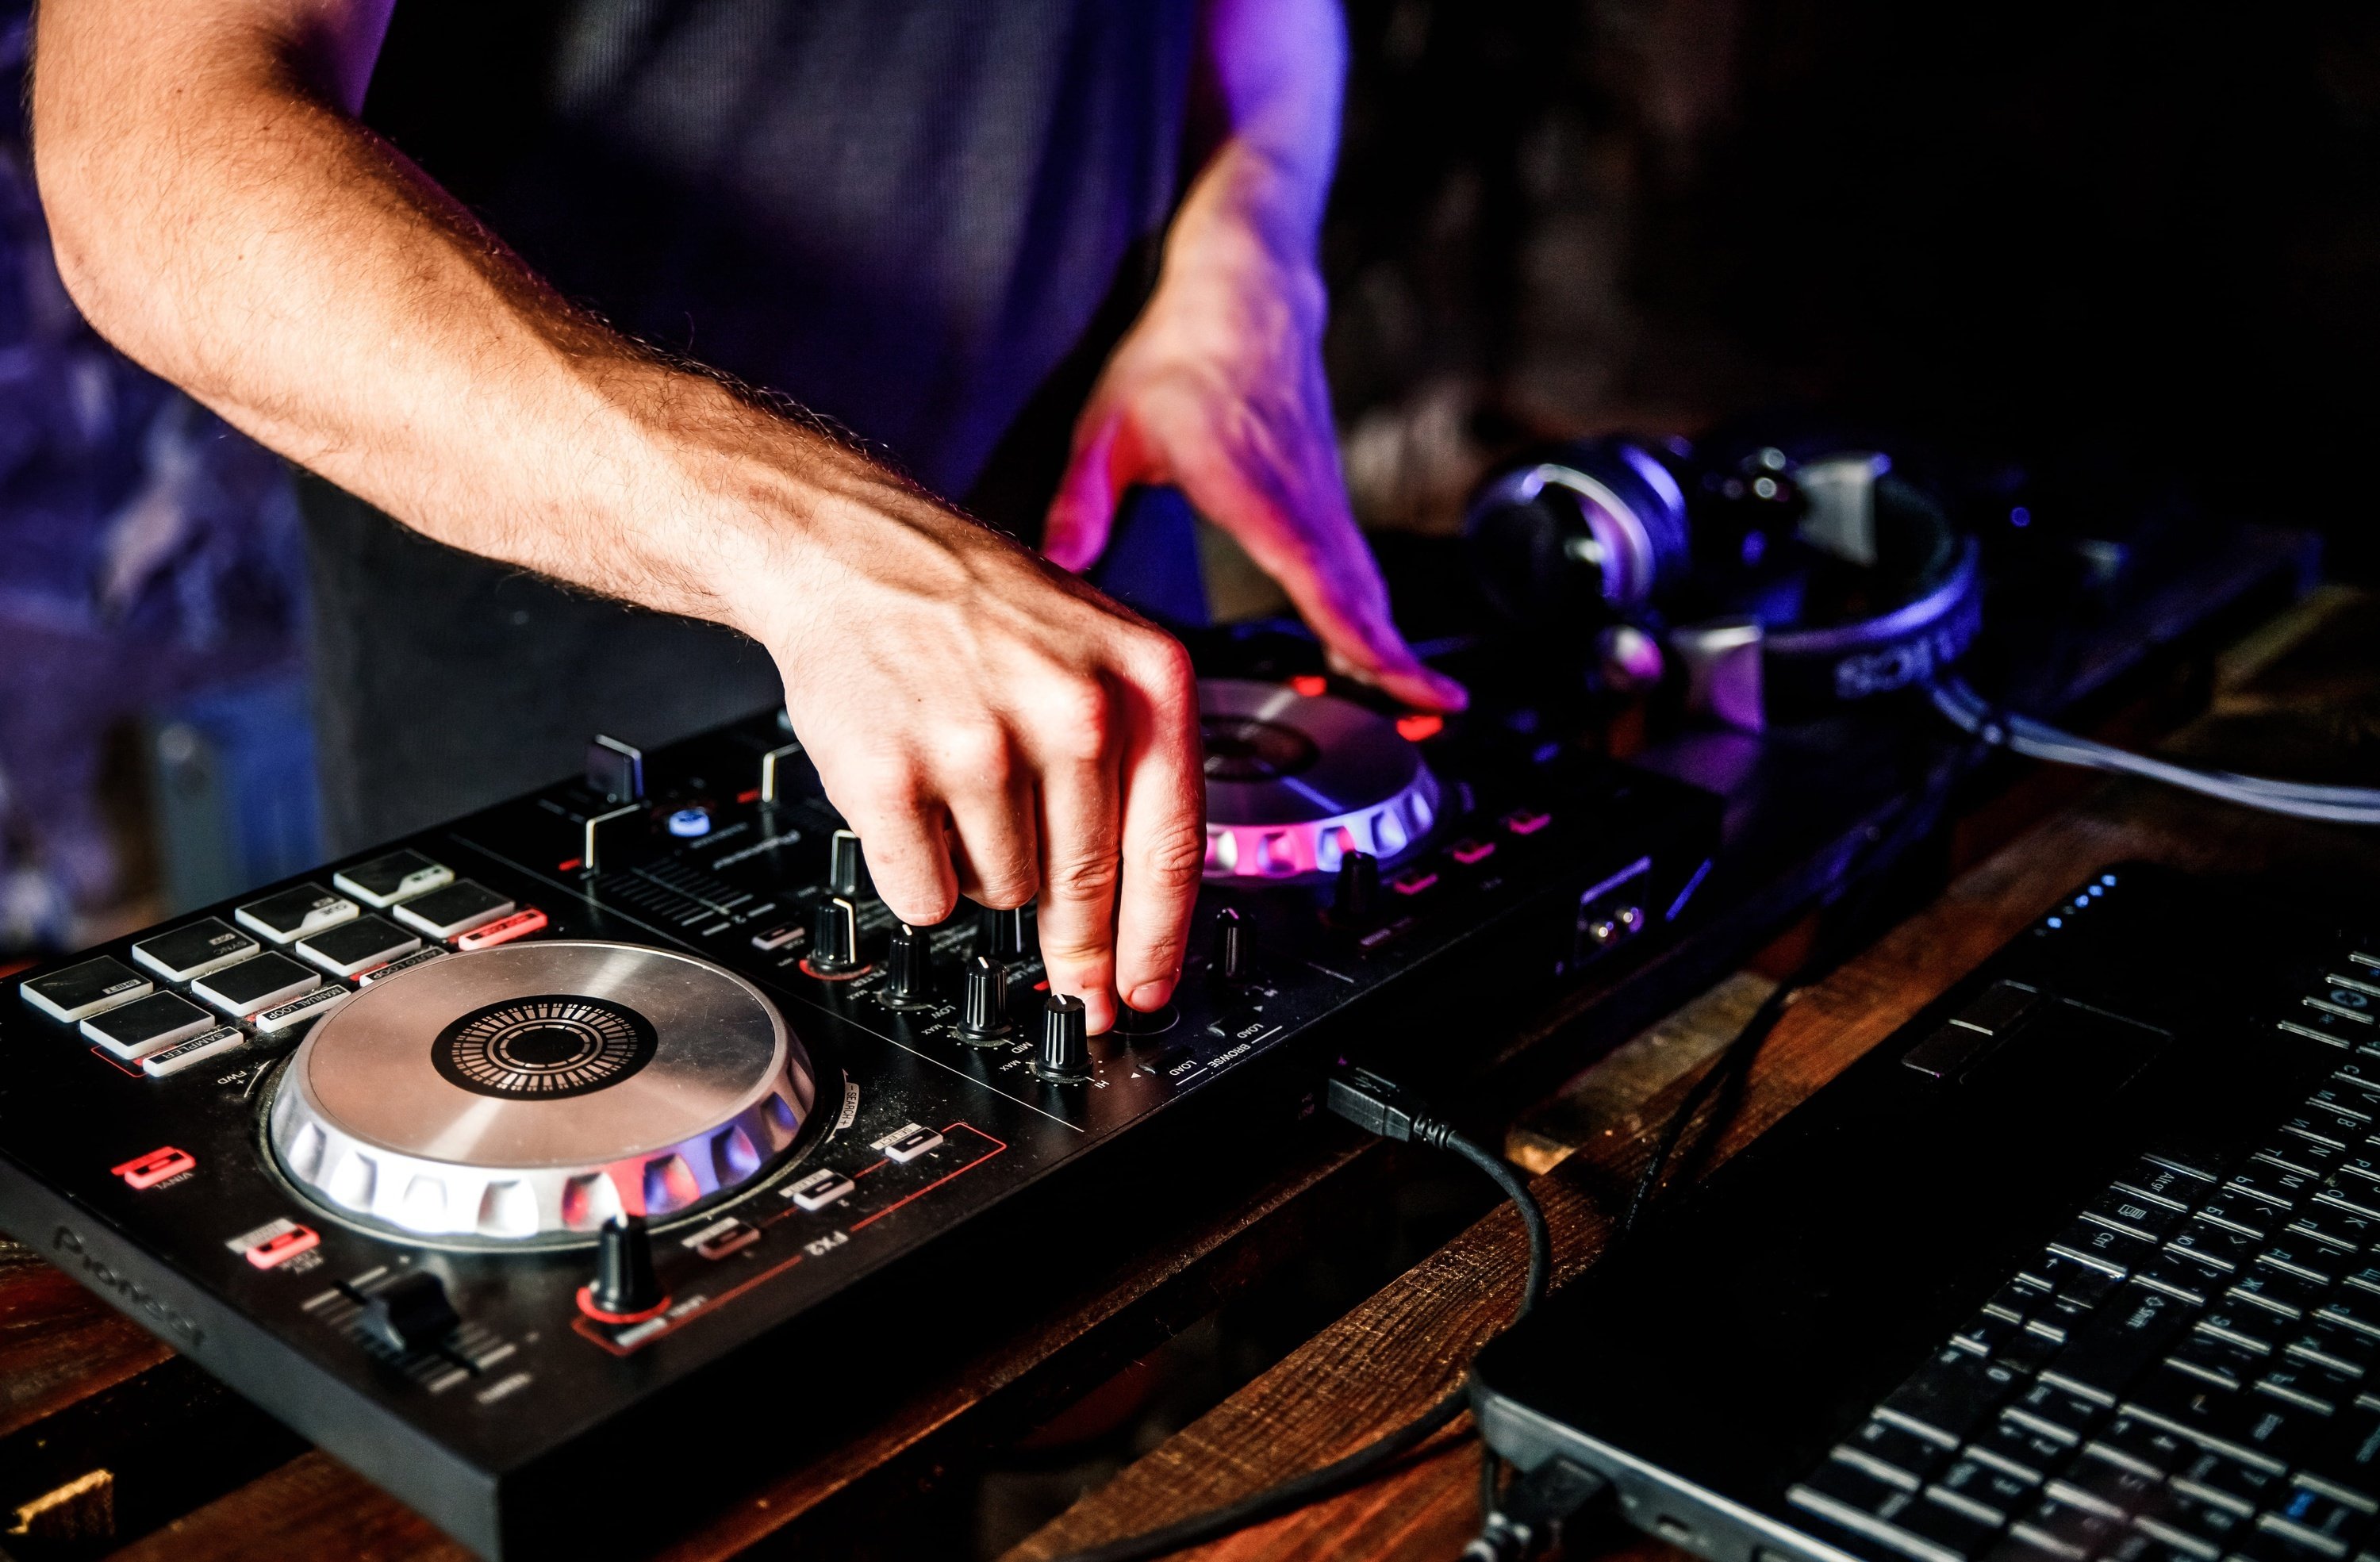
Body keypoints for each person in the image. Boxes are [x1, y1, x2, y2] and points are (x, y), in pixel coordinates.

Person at [30, 0, 1461, 1034]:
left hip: (1100, 619)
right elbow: (152, 156)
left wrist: (1250, 242)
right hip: (582, 740)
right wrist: (823, 549)